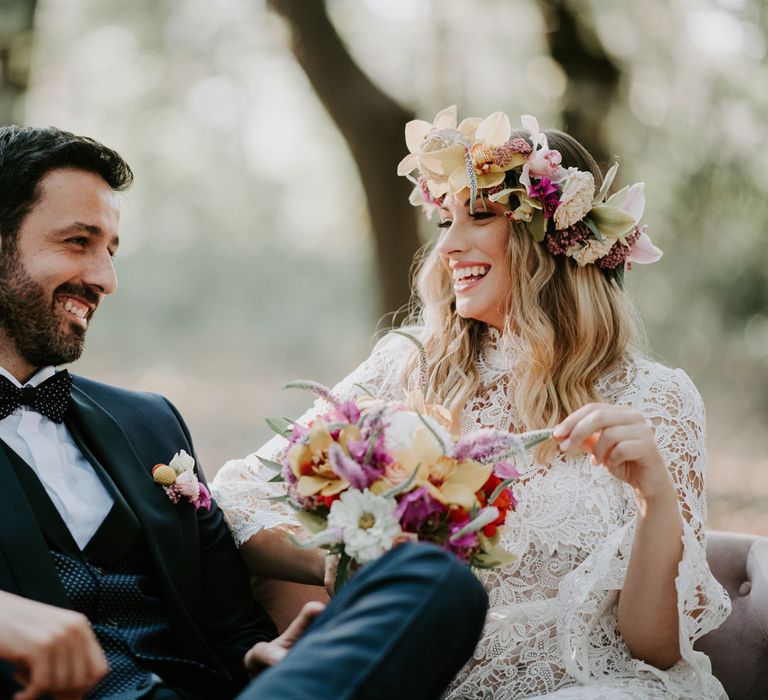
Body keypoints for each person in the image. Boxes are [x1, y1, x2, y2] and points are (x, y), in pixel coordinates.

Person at [212, 106, 732, 699]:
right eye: (445, 221)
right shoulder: (408, 365)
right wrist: (344, 559)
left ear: (558, 241)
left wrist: (653, 496)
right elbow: (239, 492)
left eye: (479, 216)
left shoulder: (658, 399)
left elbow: (655, 648)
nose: (449, 247)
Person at [0, 125, 488, 700]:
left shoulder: (150, 424)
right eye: (77, 242)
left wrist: (262, 655)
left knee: (430, 580)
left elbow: (228, 628)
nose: (105, 278)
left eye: (110, 250)